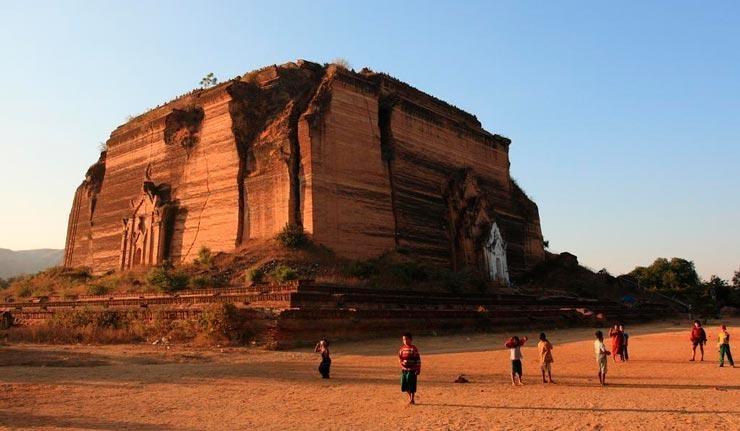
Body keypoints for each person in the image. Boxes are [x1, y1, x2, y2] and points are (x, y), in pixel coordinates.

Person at [398, 332, 421, 404]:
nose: (405, 341)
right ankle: (410, 396)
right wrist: (401, 364)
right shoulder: (402, 349)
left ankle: (412, 398)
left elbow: (418, 359)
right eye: (403, 339)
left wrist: (418, 369)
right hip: (404, 369)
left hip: (412, 370)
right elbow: (399, 357)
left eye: (406, 339)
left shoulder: (413, 349)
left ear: (410, 340)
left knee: (411, 384)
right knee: (403, 384)